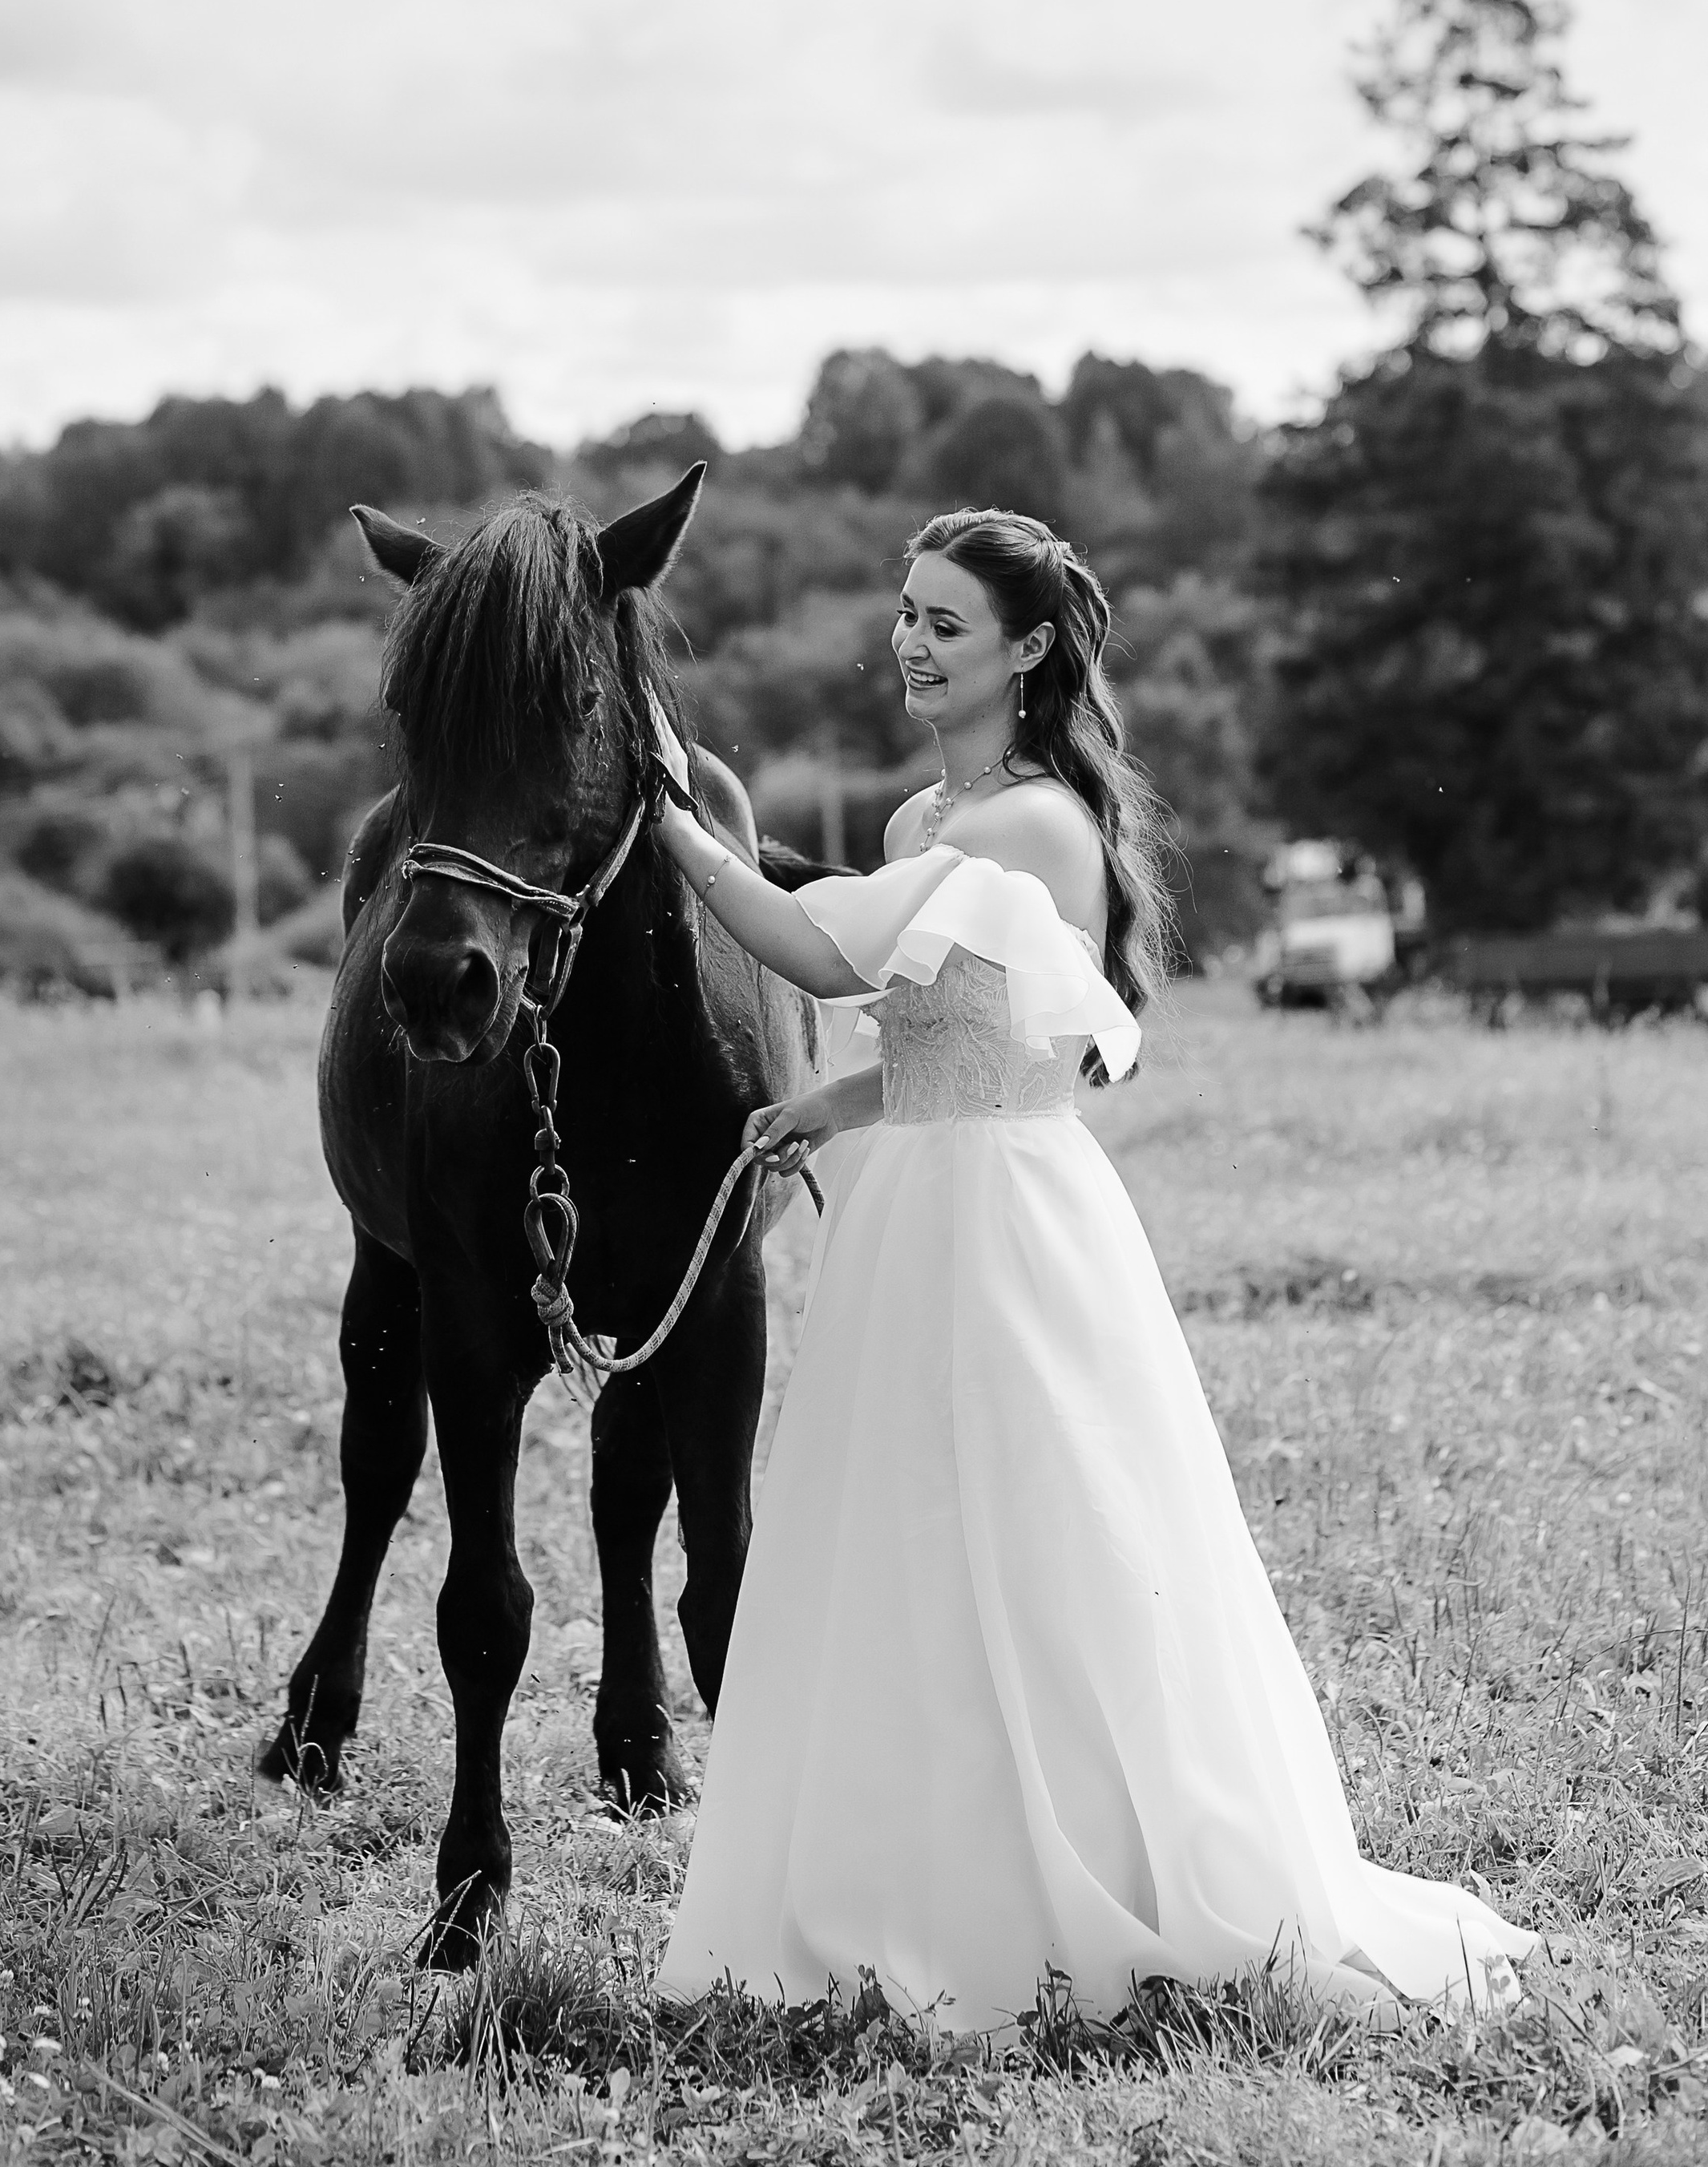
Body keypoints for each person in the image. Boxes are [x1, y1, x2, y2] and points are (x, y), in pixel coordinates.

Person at [647, 507, 1530, 2031]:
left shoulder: (1032, 828)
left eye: (948, 624)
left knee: (1039, 1540)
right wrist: (834, 1102)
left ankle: (1077, 1885)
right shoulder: (928, 824)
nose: (912, 644)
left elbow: (819, 954)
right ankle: (914, 1874)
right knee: (907, 1541)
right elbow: (953, 1036)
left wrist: (664, 816)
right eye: (907, 614)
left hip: (1002, 1219)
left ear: (1031, 649)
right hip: (917, 1204)